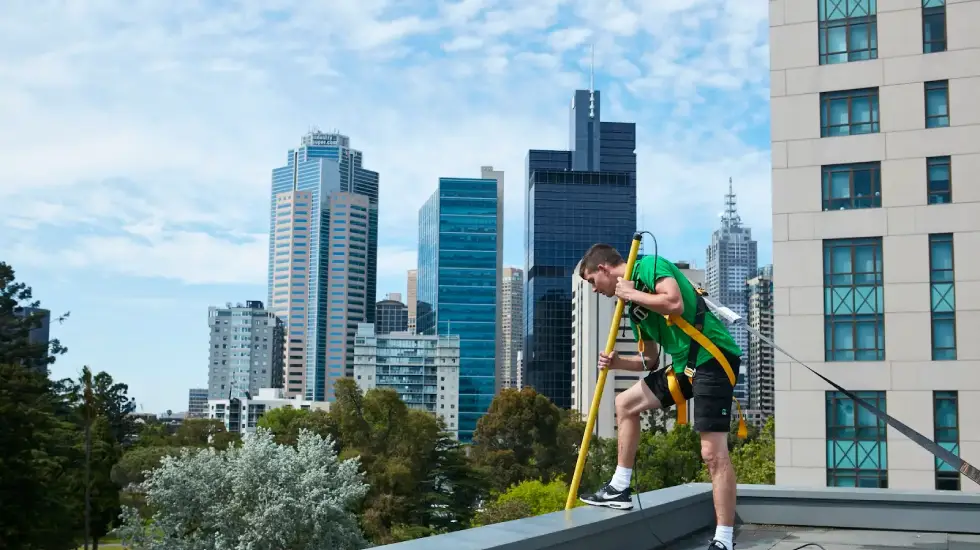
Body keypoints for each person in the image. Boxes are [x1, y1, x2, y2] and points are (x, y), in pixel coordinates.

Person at [576, 243, 742, 550]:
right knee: (625, 403)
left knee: (712, 454)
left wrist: (631, 294)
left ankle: (724, 540)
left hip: (713, 358)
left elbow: (674, 303)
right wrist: (616, 364)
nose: (593, 289)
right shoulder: (632, 308)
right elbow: (650, 360)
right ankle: (620, 487)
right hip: (685, 366)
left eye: (591, 281)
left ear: (603, 269)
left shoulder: (649, 265)